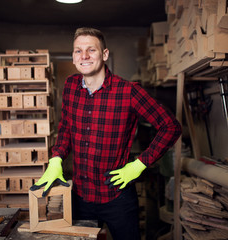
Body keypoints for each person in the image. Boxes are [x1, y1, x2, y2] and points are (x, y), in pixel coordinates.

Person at [30, 27, 181, 240]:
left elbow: (171, 127)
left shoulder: (129, 91)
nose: (84, 56)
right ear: (73, 56)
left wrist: (140, 164)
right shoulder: (71, 86)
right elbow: (65, 128)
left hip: (117, 196)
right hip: (81, 197)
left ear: (105, 54)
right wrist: (56, 159)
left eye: (91, 50)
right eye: (78, 51)